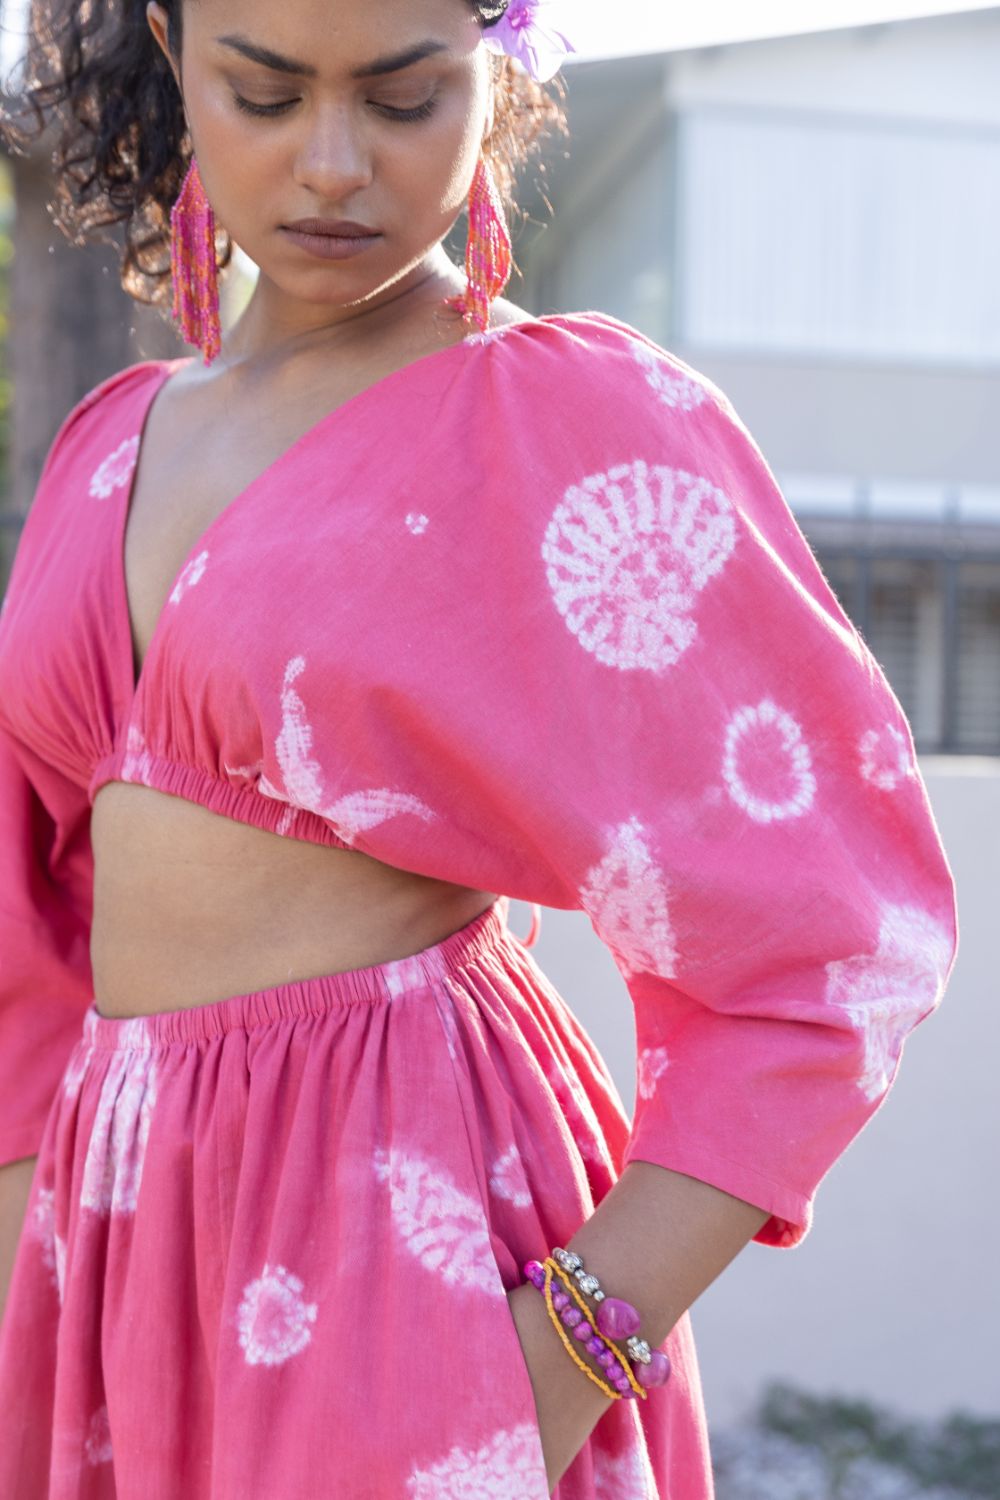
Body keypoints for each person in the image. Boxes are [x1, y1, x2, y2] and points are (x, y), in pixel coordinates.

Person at [0, 1, 960, 1495]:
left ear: (492, 71)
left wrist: (559, 1358)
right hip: (113, 1287)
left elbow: (837, 936)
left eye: (402, 100)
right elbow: (30, 930)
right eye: (266, 93)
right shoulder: (105, 440)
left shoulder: (561, 420)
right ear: (175, 55)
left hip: (402, 1250)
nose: (334, 163)